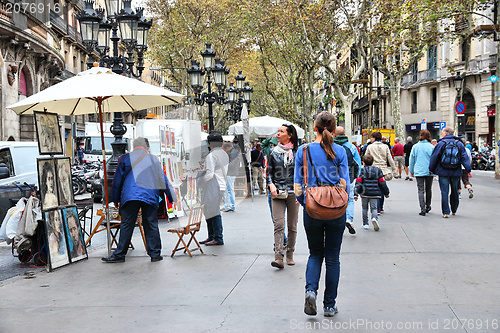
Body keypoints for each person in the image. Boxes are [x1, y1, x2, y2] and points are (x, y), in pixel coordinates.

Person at [294, 111, 350, 317]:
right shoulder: (341, 151)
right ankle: (329, 305)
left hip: (313, 210)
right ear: (334, 130)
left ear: (315, 128)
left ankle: (310, 291)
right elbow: (345, 184)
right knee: (333, 258)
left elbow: (297, 186)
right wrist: (343, 205)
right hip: (336, 210)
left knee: (315, 253)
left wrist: (307, 203)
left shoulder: (304, 150)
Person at [102, 137, 176, 263]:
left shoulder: (125, 158)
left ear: (133, 147)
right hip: (149, 195)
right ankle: (155, 254)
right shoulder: (153, 159)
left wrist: (115, 199)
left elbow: (117, 181)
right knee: (151, 224)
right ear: (147, 147)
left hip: (130, 196)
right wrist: (171, 196)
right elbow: (163, 180)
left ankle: (119, 254)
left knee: (126, 224)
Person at [268, 124, 299, 268]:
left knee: (292, 226)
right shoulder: (273, 152)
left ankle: (290, 254)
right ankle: (278, 256)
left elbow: (303, 173)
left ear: (290, 135)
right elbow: (268, 172)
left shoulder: (298, 152)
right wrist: (271, 184)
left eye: (281, 131)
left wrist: (301, 192)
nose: (278, 134)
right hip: (277, 192)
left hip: (293, 193)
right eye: (278, 131)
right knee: (278, 225)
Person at [429, 127, 471, 218]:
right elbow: (464, 157)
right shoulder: (459, 144)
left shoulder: (440, 143)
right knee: (455, 190)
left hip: (443, 171)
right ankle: (454, 209)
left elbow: (435, 156)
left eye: (442, 132)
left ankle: (446, 212)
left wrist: (431, 168)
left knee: (444, 192)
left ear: (446, 133)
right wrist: (468, 169)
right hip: (455, 171)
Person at [199, 131, 228, 246]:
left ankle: (217, 237)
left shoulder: (211, 156)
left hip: (213, 186)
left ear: (209, 144)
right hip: (221, 185)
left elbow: (209, 174)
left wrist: (201, 181)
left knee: (213, 212)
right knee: (210, 210)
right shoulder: (224, 154)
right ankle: (212, 236)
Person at [333, 126, 361, 234]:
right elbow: (358, 163)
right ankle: (349, 219)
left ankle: (336, 221)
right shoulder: (352, 147)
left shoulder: (331, 146)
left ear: (334, 135)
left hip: (334, 179)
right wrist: (356, 177)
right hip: (348, 178)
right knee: (349, 200)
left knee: (335, 200)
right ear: (344, 135)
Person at [354, 154, 390, 230]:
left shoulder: (362, 171)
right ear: (372, 162)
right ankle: (374, 218)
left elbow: (359, 183)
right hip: (375, 193)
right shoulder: (378, 170)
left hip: (364, 193)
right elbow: (382, 183)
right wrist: (386, 193)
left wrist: (356, 194)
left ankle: (365, 223)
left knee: (364, 208)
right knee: (374, 208)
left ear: (363, 163)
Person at [365, 131, 395, 214]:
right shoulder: (385, 146)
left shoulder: (370, 147)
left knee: (375, 188)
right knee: (381, 187)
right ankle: (381, 207)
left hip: (373, 169)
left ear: (374, 138)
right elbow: (390, 159)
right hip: (383, 170)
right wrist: (394, 171)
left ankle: (377, 208)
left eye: (371, 137)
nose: (371, 139)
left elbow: (366, 157)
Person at [409, 130, 435, 216]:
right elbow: (434, 159)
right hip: (429, 170)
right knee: (429, 189)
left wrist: (412, 171)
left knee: (420, 190)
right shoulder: (431, 147)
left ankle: (422, 208)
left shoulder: (415, 147)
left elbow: (412, 160)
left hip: (419, 170)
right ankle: (428, 205)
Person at [222, 141, 241, 212]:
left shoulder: (233, 153)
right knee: (228, 189)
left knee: (229, 190)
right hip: (230, 173)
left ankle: (231, 205)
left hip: (230, 173)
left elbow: (232, 164)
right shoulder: (233, 152)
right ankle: (227, 205)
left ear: (227, 148)